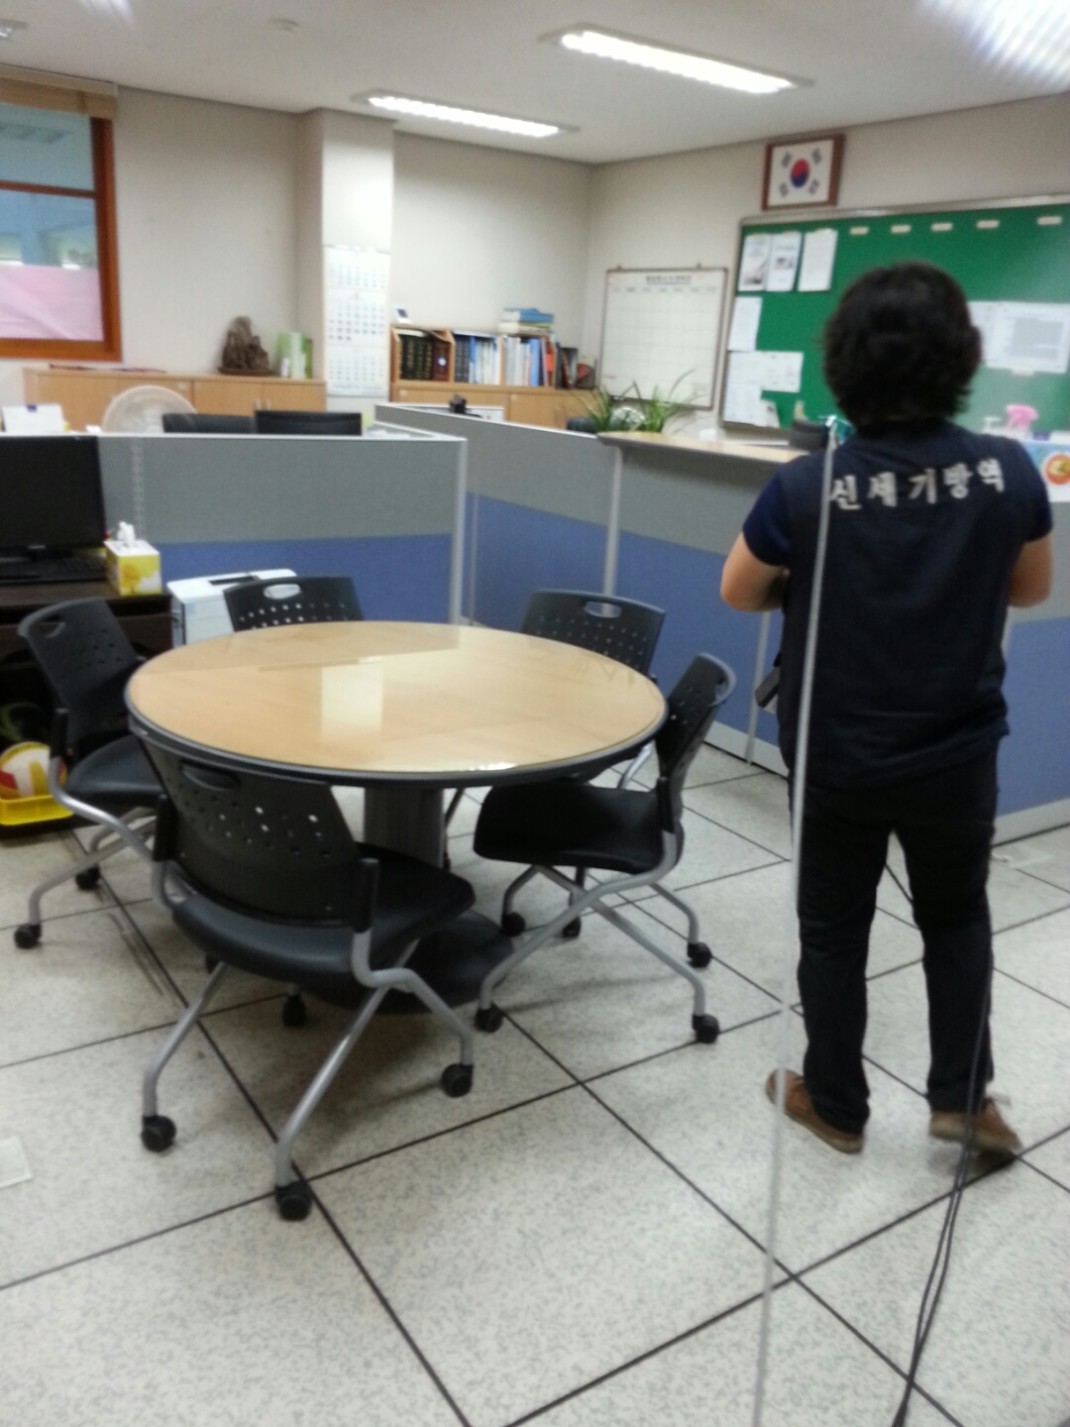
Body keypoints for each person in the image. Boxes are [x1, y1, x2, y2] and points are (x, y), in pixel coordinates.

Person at [720, 262, 1053, 1157]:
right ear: (960, 358)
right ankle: (965, 1101)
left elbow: (739, 591)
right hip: (957, 752)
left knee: (834, 928)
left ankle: (835, 1103)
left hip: (839, 752)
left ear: (845, 363)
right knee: (956, 915)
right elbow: (1030, 587)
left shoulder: (808, 485)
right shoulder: (1008, 471)